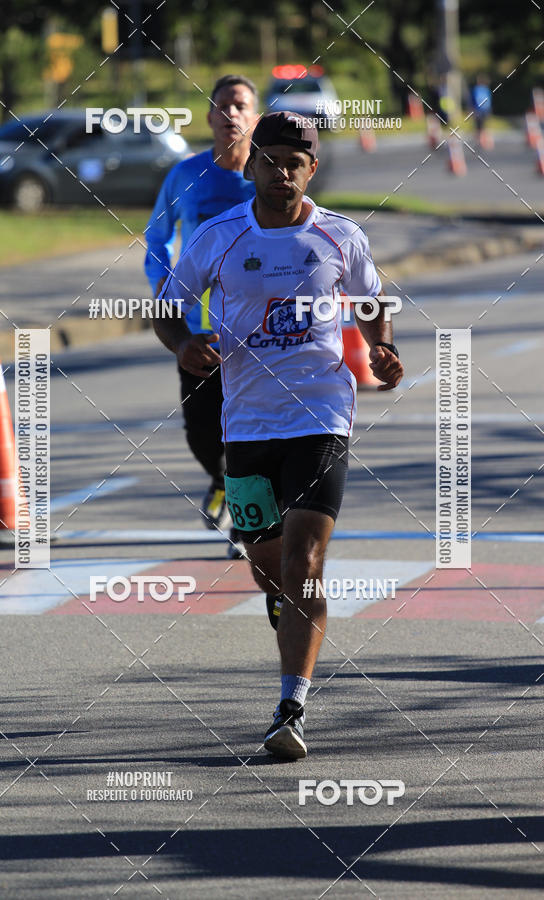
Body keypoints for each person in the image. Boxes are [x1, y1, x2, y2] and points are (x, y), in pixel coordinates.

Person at [152, 112, 403, 759]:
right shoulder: (219, 236)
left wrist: (382, 347)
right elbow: (167, 305)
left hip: (321, 416)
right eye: (270, 160)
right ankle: (284, 607)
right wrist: (183, 345)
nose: (282, 173)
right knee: (268, 565)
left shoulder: (340, 236)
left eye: (295, 163)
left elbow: (371, 301)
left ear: (311, 170)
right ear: (251, 164)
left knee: (303, 562)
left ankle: (291, 708)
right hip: (246, 424)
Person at [145, 74, 259, 557]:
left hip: (256, 330)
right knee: (202, 432)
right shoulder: (185, 175)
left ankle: (247, 527)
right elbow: (157, 237)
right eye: (223, 105)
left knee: (249, 434)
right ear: (210, 116)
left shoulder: (268, 175)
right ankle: (219, 478)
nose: (232, 113)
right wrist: (163, 287)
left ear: (255, 116)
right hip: (197, 330)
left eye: (241, 105)